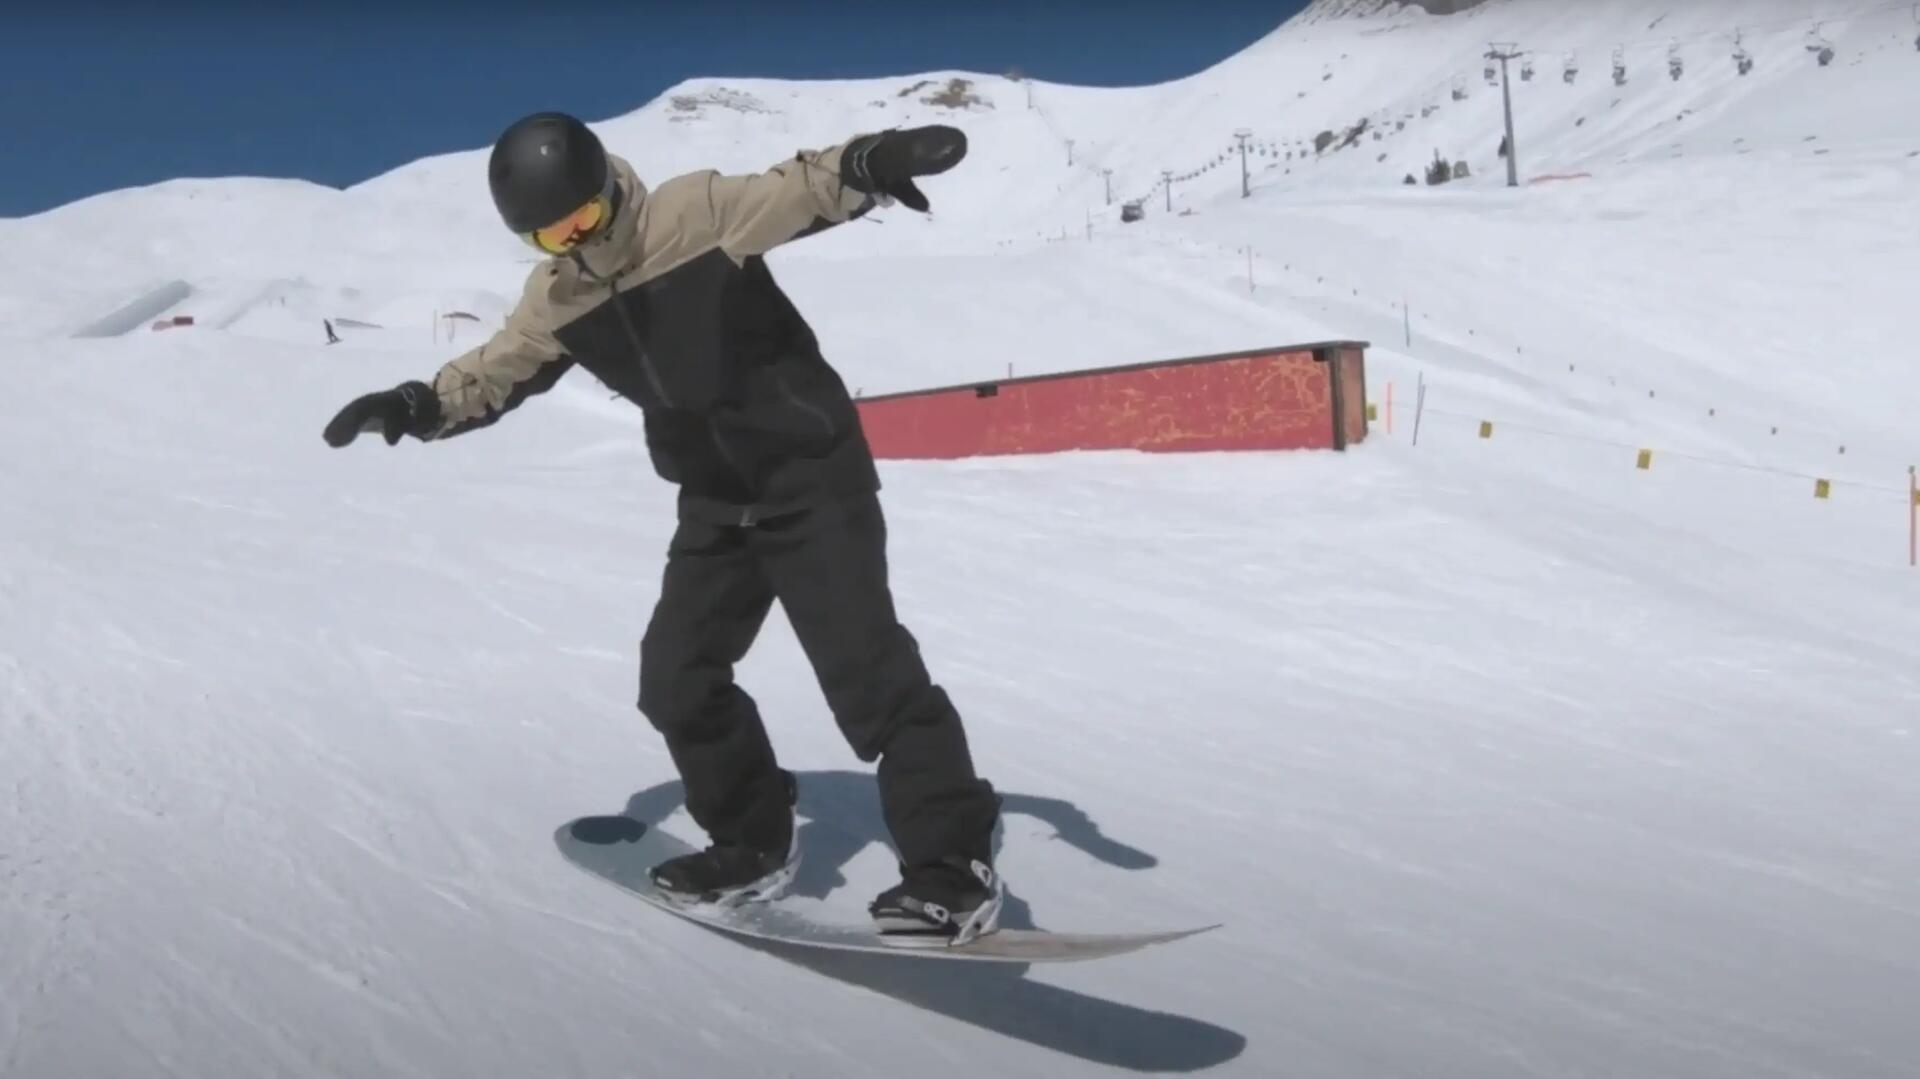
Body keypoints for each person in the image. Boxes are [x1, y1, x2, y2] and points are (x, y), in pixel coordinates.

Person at [322, 111, 1004, 946]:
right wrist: (419, 403)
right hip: (716, 502)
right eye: (549, 234)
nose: (573, 240)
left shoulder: (694, 216)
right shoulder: (558, 296)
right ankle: (752, 834)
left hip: (810, 477)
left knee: (869, 677)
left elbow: (795, 190)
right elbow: (498, 368)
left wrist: (868, 160)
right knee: (676, 678)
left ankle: (953, 864)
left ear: (610, 186)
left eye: (584, 218)